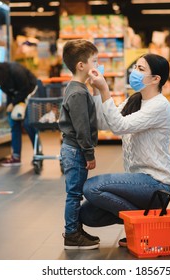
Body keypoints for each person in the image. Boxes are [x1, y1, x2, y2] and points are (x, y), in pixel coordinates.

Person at [81, 53, 170, 247]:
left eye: (141, 69)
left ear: (156, 79)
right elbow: (103, 121)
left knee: (93, 187)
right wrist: (97, 91)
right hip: (136, 183)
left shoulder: (159, 106)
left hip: (156, 185)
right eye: (135, 67)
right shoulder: (135, 100)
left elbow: (119, 126)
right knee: (86, 214)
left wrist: (106, 89)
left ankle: (143, 226)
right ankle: (144, 220)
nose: (134, 72)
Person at [58, 39, 102, 250]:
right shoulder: (77, 92)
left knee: (75, 192)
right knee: (74, 193)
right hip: (76, 150)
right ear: (81, 65)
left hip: (73, 148)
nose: (97, 64)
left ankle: (75, 228)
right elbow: (82, 128)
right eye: (94, 60)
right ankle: (72, 235)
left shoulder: (78, 88)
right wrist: (89, 153)